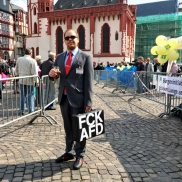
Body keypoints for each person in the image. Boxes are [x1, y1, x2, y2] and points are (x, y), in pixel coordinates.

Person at [49, 29, 93, 170]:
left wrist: (88, 102)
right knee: (68, 128)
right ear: (64, 40)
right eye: (67, 37)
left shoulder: (85, 57)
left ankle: (80, 155)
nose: (70, 39)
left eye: (73, 37)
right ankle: (69, 152)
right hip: (64, 99)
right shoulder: (60, 57)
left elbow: (89, 81)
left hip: (79, 99)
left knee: (80, 129)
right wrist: (51, 75)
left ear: (78, 39)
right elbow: (55, 76)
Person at [15, 48, 38, 115]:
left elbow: (16, 69)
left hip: (21, 79)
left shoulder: (19, 59)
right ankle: (31, 110)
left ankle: (22, 110)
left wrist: (17, 75)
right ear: (31, 53)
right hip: (29, 80)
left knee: (22, 95)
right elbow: (34, 72)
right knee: (30, 95)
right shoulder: (32, 60)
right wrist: (36, 81)